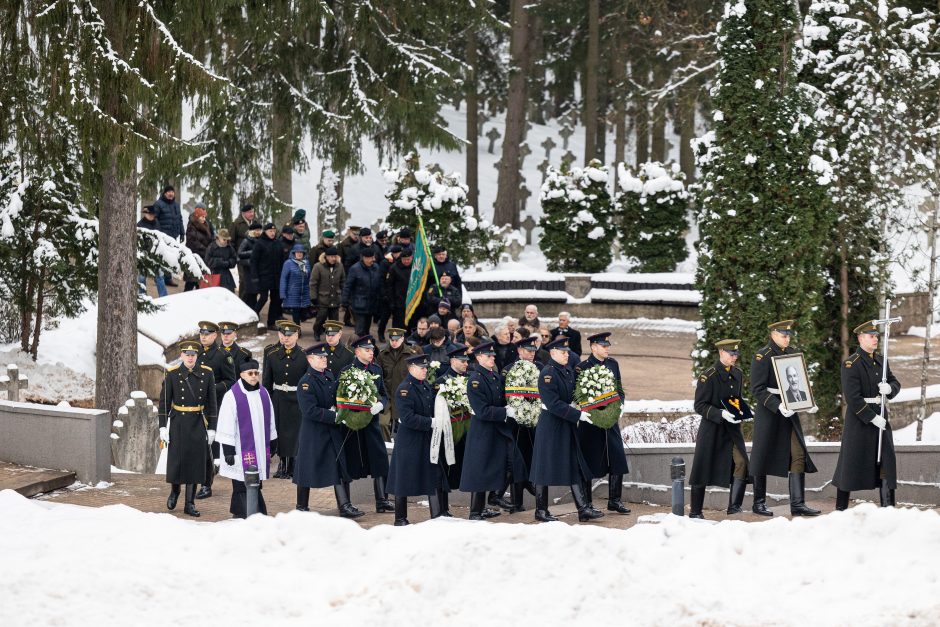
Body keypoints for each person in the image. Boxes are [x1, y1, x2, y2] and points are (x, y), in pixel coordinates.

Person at [750, 319, 821, 517]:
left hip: (790, 410)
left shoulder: (791, 354)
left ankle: (798, 504)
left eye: (789, 335)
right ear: (773, 334)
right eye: (783, 335)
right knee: (762, 455)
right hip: (770, 411)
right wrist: (777, 405)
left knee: (797, 453)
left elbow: (799, 382)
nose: (787, 338)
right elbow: (757, 389)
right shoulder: (762, 356)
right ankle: (759, 502)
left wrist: (807, 402)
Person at [529, 337, 603, 523]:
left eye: (567, 352)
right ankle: (541, 510)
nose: (566, 354)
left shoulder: (567, 371)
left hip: (566, 424)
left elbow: (572, 396)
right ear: (553, 353)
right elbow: (552, 403)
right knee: (543, 466)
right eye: (563, 352)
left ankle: (583, 508)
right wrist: (577, 415)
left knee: (575, 464)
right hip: (552, 426)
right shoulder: (548, 373)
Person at [833, 321, 902, 510]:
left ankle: (888, 506)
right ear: (860, 338)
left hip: (881, 415)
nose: (875, 339)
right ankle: (841, 508)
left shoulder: (881, 360)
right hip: (860, 421)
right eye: (871, 336)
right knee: (850, 463)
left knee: (887, 462)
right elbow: (853, 398)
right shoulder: (851, 364)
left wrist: (889, 389)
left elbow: (896, 383)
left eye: (876, 336)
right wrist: (871, 417)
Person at [293, 342, 363, 518]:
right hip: (314, 433)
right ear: (310, 360)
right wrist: (336, 416)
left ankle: (344, 505)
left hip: (332, 430)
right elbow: (310, 411)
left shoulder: (328, 375)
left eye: (325, 357)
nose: (324, 359)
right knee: (306, 469)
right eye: (320, 357)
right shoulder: (306, 383)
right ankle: (301, 506)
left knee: (339, 466)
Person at [459, 341, 528, 520]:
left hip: (498, 429)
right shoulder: (475, 380)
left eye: (493, 356)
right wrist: (505, 411)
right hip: (483, 430)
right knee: (480, 469)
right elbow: (482, 410)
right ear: (479, 357)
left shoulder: (495, 376)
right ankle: (476, 511)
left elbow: (503, 399)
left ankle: (494, 497)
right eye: (488, 356)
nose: (492, 358)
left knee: (513, 462)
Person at [689, 339, 750, 519]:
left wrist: (743, 411)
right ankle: (695, 511)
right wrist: (720, 414)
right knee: (702, 468)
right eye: (731, 354)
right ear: (721, 353)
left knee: (742, 463)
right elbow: (699, 405)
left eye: (736, 354)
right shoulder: (709, 376)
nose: (734, 357)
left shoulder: (737, 374)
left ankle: (734, 507)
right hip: (712, 429)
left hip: (732, 429)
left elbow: (736, 399)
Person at [158, 340, 218, 517]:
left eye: (193, 355)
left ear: (196, 356)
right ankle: (175, 491)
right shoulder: (173, 373)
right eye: (187, 354)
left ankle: (189, 503)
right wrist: (163, 427)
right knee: (177, 461)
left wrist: (212, 428)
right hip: (178, 422)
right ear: (182, 355)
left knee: (194, 463)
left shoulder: (207, 373)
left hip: (198, 422)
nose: (190, 358)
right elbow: (164, 403)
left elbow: (212, 403)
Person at [388, 353, 449, 525]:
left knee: (434, 473)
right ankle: (400, 518)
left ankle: (438, 514)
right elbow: (408, 418)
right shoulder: (405, 389)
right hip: (410, 440)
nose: (425, 370)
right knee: (404, 478)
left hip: (427, 438)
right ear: (411, 368)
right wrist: (431, 422)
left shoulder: (425, 386)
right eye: (421, 368)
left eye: (426, 367)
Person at [575, 332, 631, 515]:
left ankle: (615, 500)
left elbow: (619, 389)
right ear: (593, 347)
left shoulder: (613, 364)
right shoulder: (582, 367)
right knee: (589, 460)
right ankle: (587, 503)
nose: (607, 348)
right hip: (591, 421)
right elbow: (579, 395)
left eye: (608, 346)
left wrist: (619, 406)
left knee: (617, 458)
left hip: (610, 420)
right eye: (603, 346)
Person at [217, 360, 278, 518]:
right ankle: (250, 514)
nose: (253, 376)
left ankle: (242, 513)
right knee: (240, 484)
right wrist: (228, 450)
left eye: (256, 373)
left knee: (255, 482)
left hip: (258, 448)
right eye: (250, 373)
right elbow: (226, 423)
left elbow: (270, 419)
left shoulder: (263, 393)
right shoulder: (232, 396)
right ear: (242, 375)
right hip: (239, 448)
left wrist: (272, 440)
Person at [341, 335, 394, 513]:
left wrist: (381, 405)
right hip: (353, 425)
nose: (371, 353)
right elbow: (340, 397)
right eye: (367, 350)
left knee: (379, 461)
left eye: (372, 350)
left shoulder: (376, 369)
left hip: (371, 424)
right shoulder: (347, 371)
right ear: (357, 351)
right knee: (349, 463)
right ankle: (346, 503)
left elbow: (384, 395)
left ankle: (382, 500)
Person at [194, 320, 237, 500]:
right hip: (193, 407)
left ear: (215, 335)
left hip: (213, 406)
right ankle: (193, 479)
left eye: (207, 334)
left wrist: (213, 388)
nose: (203, 337)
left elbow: (231, 381)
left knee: (209, 446)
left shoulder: (221, 356)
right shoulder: (193, 353)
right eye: (201, 334)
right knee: (196, 445)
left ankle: (206, 484)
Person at [262, 320, 307, 479]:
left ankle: (293, 464)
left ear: (296, 336)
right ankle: (282, 464)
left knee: (294, 433)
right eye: (283, 335)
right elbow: (267, 381)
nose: (286, 338)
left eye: (290, 335)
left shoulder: (304, 355)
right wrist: (265, 400)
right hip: (279, 398)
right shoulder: (273, 355)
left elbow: (307, 381)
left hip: (296, 399)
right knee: (279, 432)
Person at [435, 344, 472, 493]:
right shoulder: (442, 382)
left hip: (469, 428)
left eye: (467, 361)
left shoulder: (470, 378)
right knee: (450, 468)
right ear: (453, 361)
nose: (466, 364)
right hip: (451, 430)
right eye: (462, 361)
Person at [378, 328, 419, 440]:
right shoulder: (383, 355)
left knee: (404, 425)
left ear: (402, 338)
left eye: (397, 339)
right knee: (382, 423)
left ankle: (401, 448)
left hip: (404, 396)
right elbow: (377, 376)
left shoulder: (411, 355)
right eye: (392, 339)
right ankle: (386, 447)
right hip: (386, 396)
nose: (394, 342)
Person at [342, 246, 383, 337]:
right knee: (360, 330)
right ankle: (357, 347)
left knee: (366, 330)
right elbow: (348, 286)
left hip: (371, 304)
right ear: (364, 258)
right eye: (370, 258)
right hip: (359, 304)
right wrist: (344, 301)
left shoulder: (376, 267)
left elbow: (379, 283)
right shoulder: (355, 269)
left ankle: (365, 346)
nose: (372, 260)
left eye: (373, 257)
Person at [250, 223, 285, 327]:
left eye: (274, 231)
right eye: (270, 231)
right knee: (263, 298)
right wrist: (255, 276)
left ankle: (271, 322)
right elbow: (254, 261)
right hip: (263, 276)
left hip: (276, 276)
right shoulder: (260, 243)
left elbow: (282, 260)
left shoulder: (278, 243)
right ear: (265, 231)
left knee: (276, 299)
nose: (272, 233)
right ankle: (252, 318)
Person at [310, 246, 345, 341]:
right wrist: (313, 297)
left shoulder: (340, 266)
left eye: (335, 256)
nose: (333, 259)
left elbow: (343, 282)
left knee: (334, 320)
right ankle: (316, 331)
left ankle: (332, 336)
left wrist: (344, 296)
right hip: (322, 298)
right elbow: (313, 283)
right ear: (326, 257)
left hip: (335, 298)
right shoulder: (318, 266)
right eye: (331, 256)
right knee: (321, 317)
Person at [153, 185, 183, 286]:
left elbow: (180, 219)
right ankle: (158, 277)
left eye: (172, 192)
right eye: (168, 192)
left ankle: (168, 278)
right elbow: (154, 218)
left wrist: (182, 232)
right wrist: (159, 232)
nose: (170, 194)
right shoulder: (158, 204)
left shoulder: (176, 205)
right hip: (162, 236)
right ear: (165, 193)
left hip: (173, 236)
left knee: (170, 258)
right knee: (161, 257)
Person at [137, 205, 168, 297]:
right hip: (144, 255)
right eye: (148, 214)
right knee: (142, 278)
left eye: (152, 214)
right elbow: (138, 242)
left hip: (156, 255)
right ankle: (142, 297)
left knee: (159, 277)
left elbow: (160, 237)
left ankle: (164, 297)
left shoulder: (157, 223)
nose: (150, 216)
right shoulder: (140, 225)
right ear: (145, 214)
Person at [280, 244, 312, 325]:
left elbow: (310, 277)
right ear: (293, 253)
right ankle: (297, 329)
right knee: (296, 311)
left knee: (304, 311)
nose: (299, 254)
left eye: (301, 252)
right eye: (297, 252)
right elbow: (283, 278)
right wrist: (282, 293)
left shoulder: (306, 263)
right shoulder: (288, 263)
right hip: (293, 292)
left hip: (304, 292)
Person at [184, 205, 213, 291]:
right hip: (194, 258)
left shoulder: (206, 225)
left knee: (200, 284)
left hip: (203, 258)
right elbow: (192, 243)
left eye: (205, 217)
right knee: (190, 283)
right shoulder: (191, 227)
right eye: (202, 217)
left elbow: (209, 238)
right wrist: (205, 249)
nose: (204, 219)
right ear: (197, 217)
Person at [231, 204, 256, 296]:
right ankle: (242, 300)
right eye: (249, 212)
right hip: (241, 257)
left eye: (253, 211)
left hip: (254, 256)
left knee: (253, 279)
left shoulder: (256, 222)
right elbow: (232, 241)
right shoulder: (236, 224)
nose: (252, 214)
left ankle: (251, 301)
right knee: (244, 279)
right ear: (243, 213)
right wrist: (235, 256)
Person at [386, 246, 413, 330]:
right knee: (398, 324)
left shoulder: (415, 267)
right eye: (404, 259)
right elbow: (389, 286)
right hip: (399, 301)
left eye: (408, 259)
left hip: (412, 301)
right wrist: (392, 302)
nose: (407, 261)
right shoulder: (394, 268)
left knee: (411, 323)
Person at [237, 221, 263, 309]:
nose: (258, 232)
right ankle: (247, 309)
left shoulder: (261, 240)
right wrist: (253, 254)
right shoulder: (246, 241)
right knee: (250, 292)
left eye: (260, 230)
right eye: (256, 230)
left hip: (258, 270)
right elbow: (240, 254)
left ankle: (253, 310)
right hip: (249, 270)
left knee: (255, 292)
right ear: (252, 231)